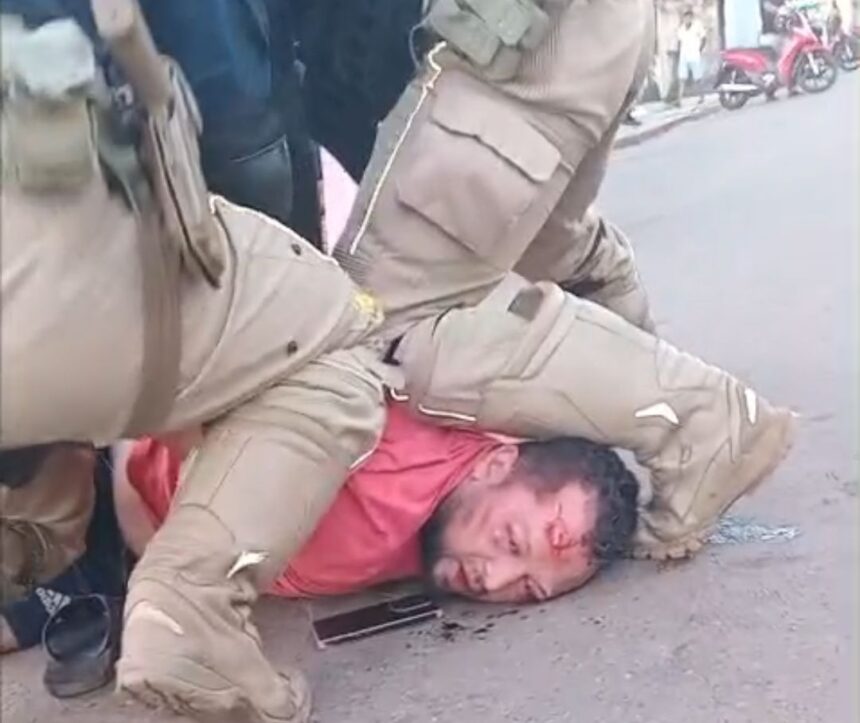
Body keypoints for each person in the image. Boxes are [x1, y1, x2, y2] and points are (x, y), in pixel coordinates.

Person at [1, 11, 386, 723]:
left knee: (50, 411)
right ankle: (190, 613)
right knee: (337, 334)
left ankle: (33, 567)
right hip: (55, 256)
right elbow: (234, 111)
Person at [333, 0, 796, 566]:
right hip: (578, 32)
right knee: (547, 248)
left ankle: (703, 425)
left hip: (518, 45)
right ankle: (638, 391)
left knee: (387, 325)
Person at [675, 6, 707, 106]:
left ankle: (701, 96)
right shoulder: (681, 29)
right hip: (684, 55)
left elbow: (704, 38)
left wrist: (699, 50)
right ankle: (679, 99)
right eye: (685, 17)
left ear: (691, 17)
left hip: (694, 55)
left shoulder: (697, 26)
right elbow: (679, 42)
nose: (687, 18)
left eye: (689, 16)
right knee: (682, 78)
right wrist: (679, 53)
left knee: (697, 78)